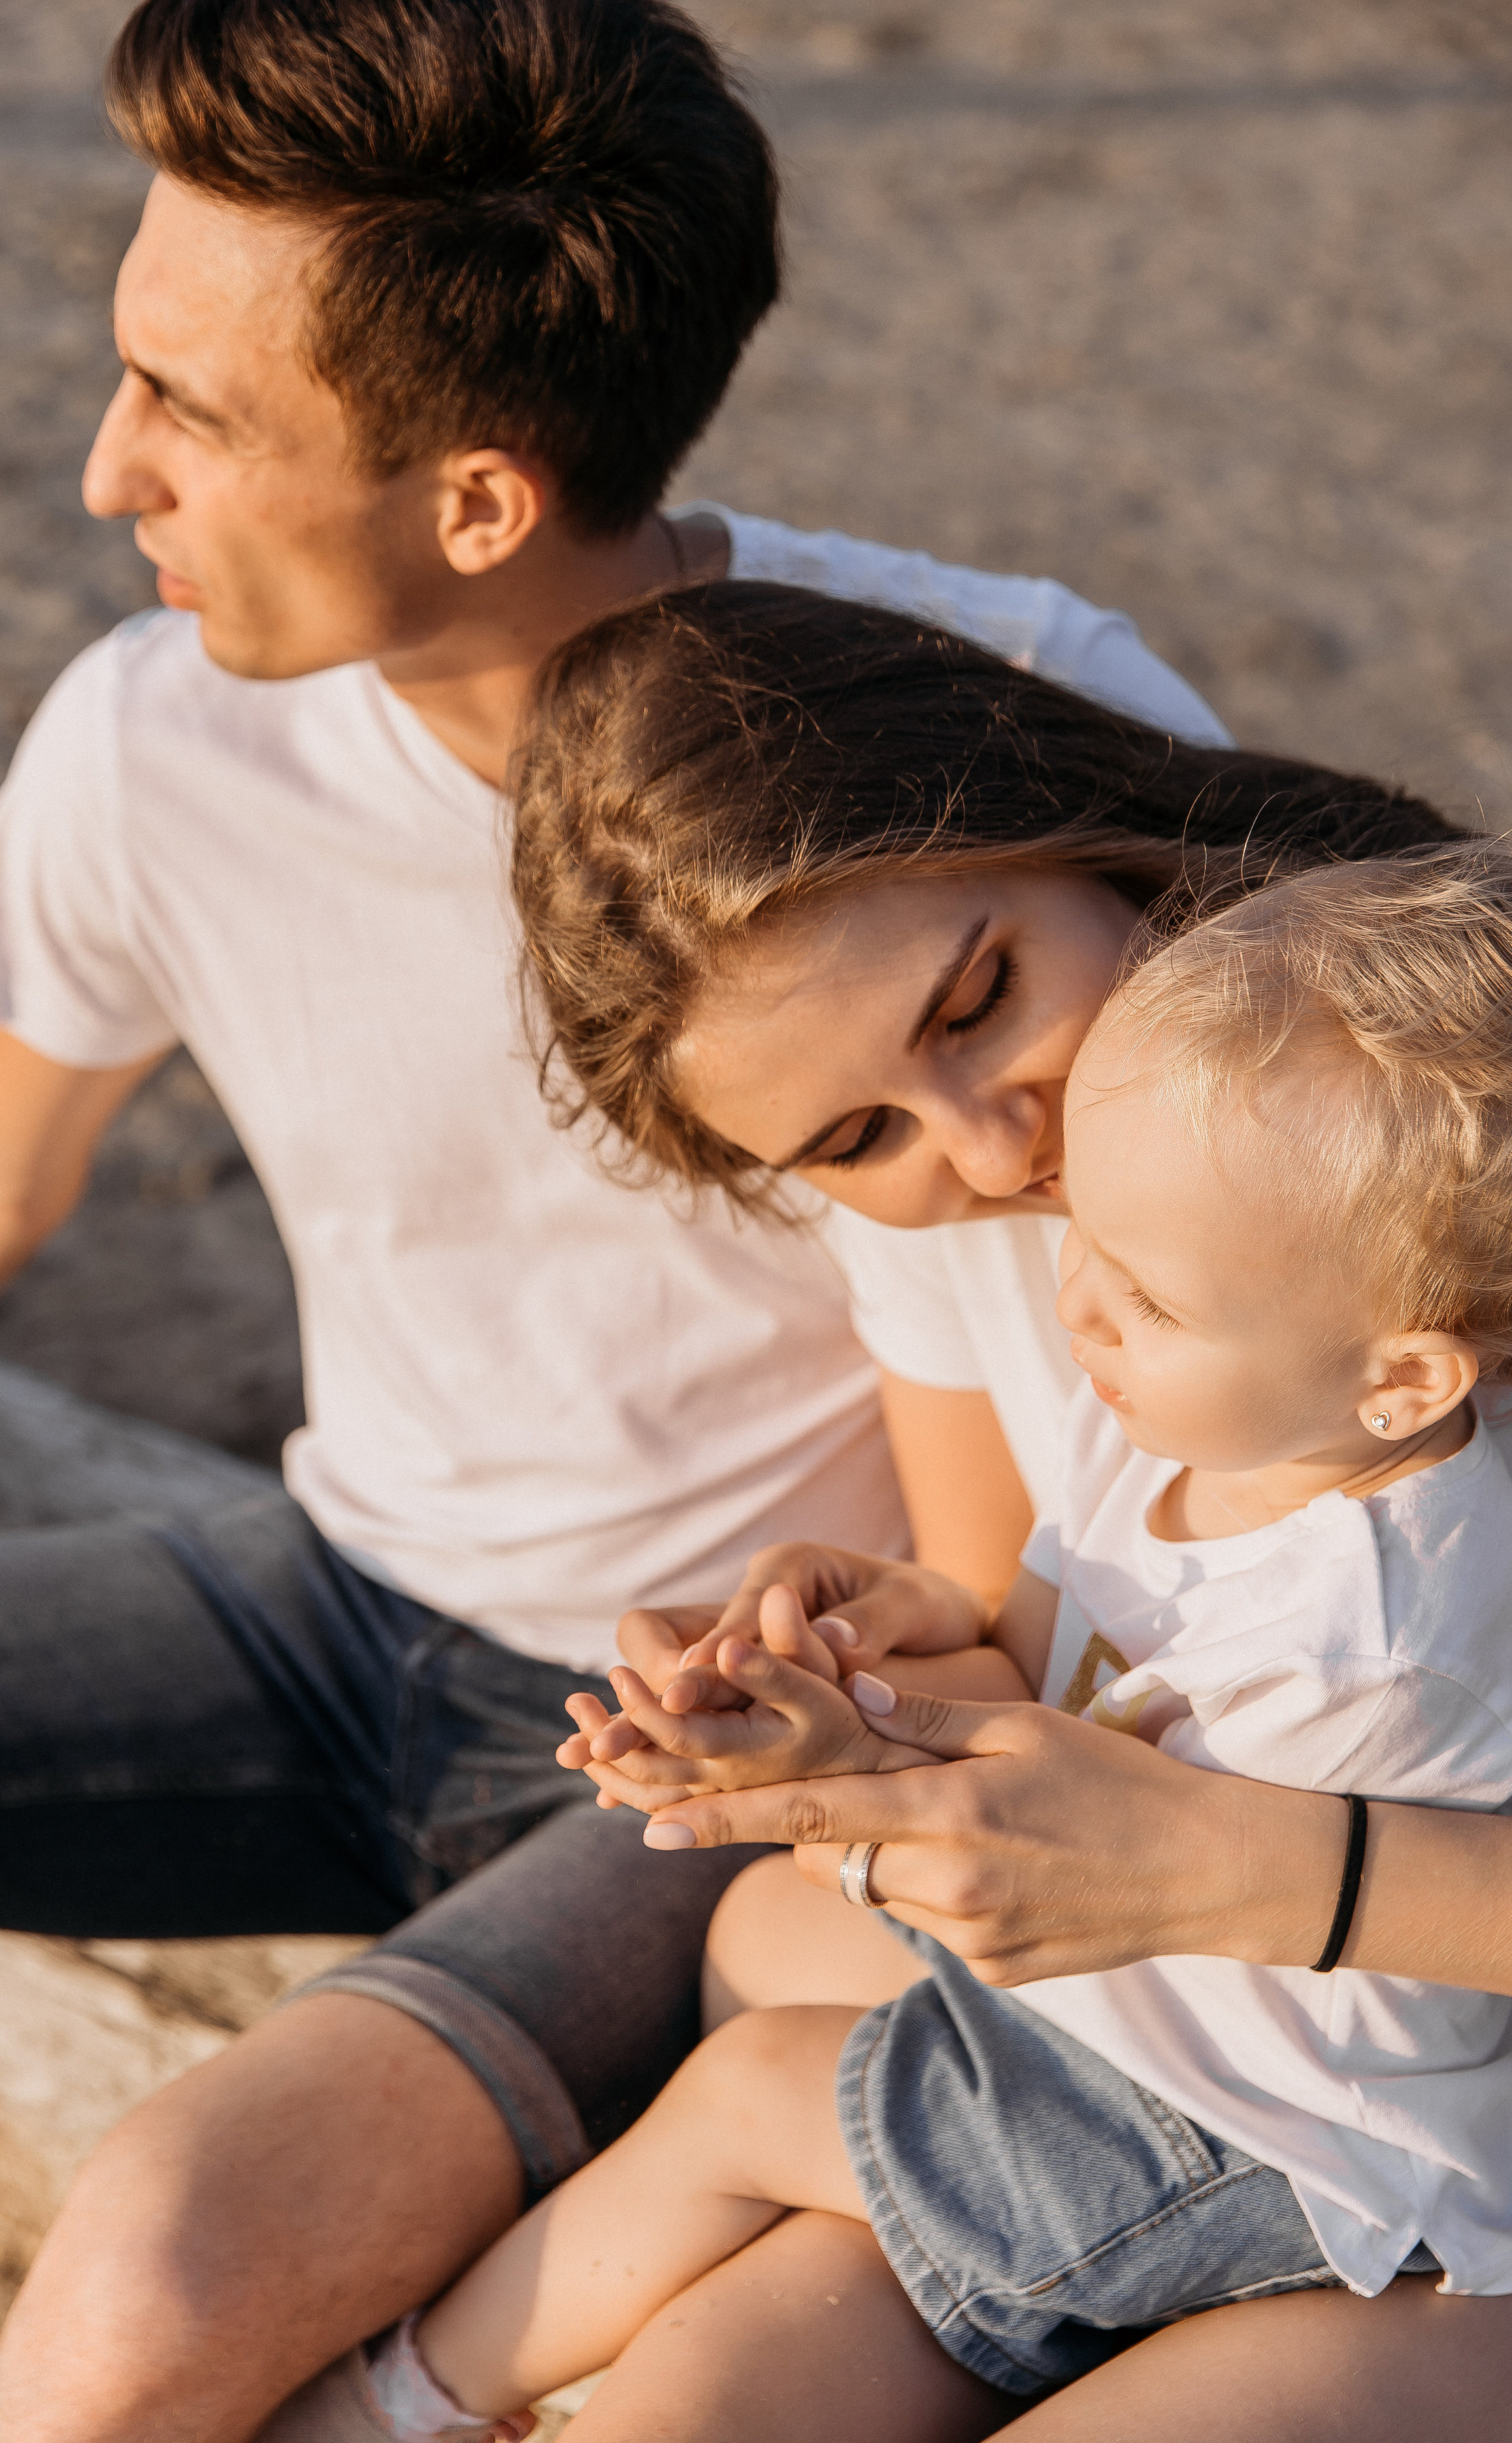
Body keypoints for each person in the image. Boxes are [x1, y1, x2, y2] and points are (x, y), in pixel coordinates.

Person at [0, 0, 1232, 2440]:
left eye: (181, 402)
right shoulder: (155, 734)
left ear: (474, 493)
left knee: (147, 2281)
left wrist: (862, 1713)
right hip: (320, 1593)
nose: (101, 469)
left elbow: (1102, 1432)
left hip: (713, 1747)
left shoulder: (978, 747)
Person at [501, 580, 1512, 2436]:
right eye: (852, 1144)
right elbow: (1042, 1636)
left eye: (980, 999)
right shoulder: (1053, 1247)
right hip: (1213, 2061)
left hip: (1433, 2151)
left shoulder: (1439, 1171)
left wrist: (1277, 1871)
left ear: (1057, 812)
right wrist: (869, 1663)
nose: (991, 1152)